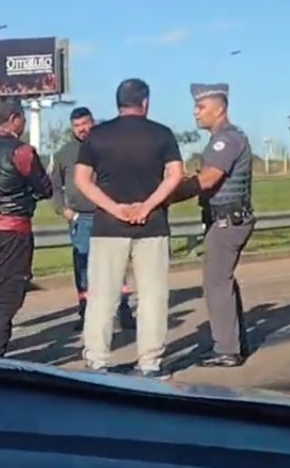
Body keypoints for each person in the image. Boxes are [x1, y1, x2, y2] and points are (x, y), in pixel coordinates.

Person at [75, 78, 184, 378]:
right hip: (152, 226)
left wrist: (114, 208)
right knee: (152, 296)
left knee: (102, 296)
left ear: (118, 102)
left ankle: (97, 360)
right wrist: (147, 206)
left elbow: (82, 179)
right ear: (145, 102)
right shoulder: (162, 135)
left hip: (108, 226)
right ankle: (149, 362)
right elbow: (175, 175)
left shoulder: (97, 136)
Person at [168, 83, 255, 368]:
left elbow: (207, 180)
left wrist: (167, 196)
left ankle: (227, 349)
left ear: (220, 109)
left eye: (201, 107)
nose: (195, 112)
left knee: (216, 283)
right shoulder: (224, 138)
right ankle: (235, 342)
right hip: (225, 219)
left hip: (227, 220)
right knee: (223, 281)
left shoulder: (225, 140)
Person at [0, 97, 54, 357]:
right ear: (14, 118)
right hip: (12, 228)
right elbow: (45, 187)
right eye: (22, 118)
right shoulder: (21, 151)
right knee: (7, 297)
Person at [50, 106, 135, 332]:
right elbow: (54, 186)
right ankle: (86, 311)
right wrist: (64, 210)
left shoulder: (108, 146)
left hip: (108, 214)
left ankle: (122, 311)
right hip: (81, 218)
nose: (82, 129)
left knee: (116, 264)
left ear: (93, 122)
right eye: (77, 126)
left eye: (85, 124)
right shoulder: (65, 153)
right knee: (84, 268)